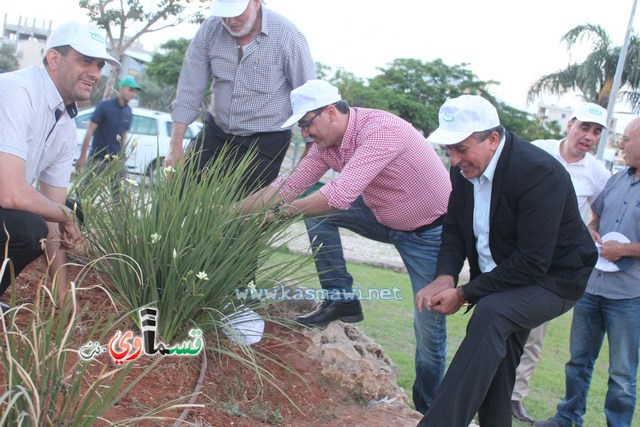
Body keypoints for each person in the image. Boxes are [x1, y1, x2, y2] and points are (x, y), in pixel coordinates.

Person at [237, 79, 451, 414]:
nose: (305, 134)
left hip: (429, 232)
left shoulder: (381, 131)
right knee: (317, 215)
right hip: (382, 216)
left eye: (307, 123)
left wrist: (277, 215)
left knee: (428, 326)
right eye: (301, 127)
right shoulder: (328, 146)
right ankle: (342, 300)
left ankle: (431, 410)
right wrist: (228, 212)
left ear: (332, 112)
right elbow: (290, 185)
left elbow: (338, 195)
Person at [415, 95, 597, 427]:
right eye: (449, 150)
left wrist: (466, 293)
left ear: (493, 139)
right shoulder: (464, 170)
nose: (454, 160)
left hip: (555, 279)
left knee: (492, 312)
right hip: (508, 279)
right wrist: (445, 276)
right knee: (498, 365)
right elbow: (454, 227)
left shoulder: (538, 173)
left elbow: (532, 261)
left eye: (462, 149)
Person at [0, 21, 119, 312]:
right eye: (85, 61)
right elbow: (11, 193)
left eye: (99, 65)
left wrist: (63, 295)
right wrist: (62, 215)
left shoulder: (65, 123)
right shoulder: (17, 90)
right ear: (54, 59)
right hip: (5, 194)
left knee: (66, 210)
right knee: (28, 227)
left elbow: (53, 215)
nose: (94, 73)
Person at [534, 117, 640, 427]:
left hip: (630, 295)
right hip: (592, 288)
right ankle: (567, 418)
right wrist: (592, 230)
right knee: (577, 363)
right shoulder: (617, 179)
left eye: (627, 140)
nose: (620, 144)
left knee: (622, 375)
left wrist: (624, 250)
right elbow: (596, 215)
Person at [511, 102, 611, 423]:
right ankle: (486, 387)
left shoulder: (597, 173)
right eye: (584, 127)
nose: (589, 137)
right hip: (515, 254)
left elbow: (605, 210)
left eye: (596, 132)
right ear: (569, 124)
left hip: (552, 268)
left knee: (533, 336)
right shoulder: (537, 149)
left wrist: (591, 228)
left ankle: (514, 397)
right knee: (495, 322)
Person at [164, 0, 316, 194]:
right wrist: (175, 146)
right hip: (215, 132)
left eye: (236, 12)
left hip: (265, 142)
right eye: (224, 14)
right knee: (173, 196)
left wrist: (309, 152)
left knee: (238, 216)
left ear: (255, 2)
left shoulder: (288, 37)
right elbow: (189, 88)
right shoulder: (210, 29)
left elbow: (309, 98)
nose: (230, 20)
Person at [76, 76, 141, 199]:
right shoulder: (104, 106)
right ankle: (75, 216)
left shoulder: (128, 111)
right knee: (85, 193)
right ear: (121, 89)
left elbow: (124, 135)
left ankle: (120, 217)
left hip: (117, 160)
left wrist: (123, 155)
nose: (133, 94)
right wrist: (83, 156)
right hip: (98, 158)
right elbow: (90, 131)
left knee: (121, 195)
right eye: (130, 90)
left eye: (135, 91)